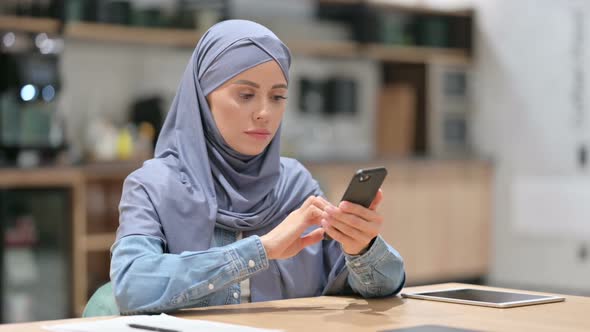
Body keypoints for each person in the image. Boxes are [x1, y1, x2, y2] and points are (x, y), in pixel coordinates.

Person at [110, 19, 405, 315]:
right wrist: (261, 250)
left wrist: (362, 248)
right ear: (202, 98)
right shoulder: (152, 185)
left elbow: (382, 287)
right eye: (246, 95)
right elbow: (132, 286)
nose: (265, 113)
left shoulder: (296, 185)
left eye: (277, 97)